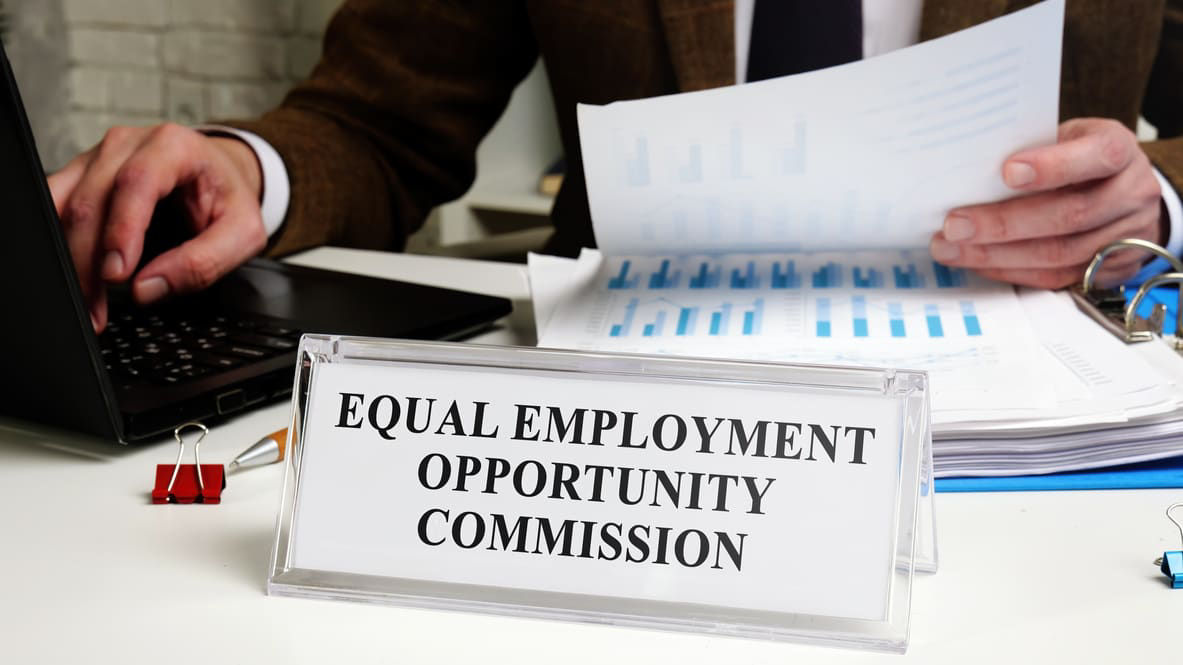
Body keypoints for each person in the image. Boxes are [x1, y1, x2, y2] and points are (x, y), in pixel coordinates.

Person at [46, 1, 1183, 332]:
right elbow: (377, 120)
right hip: (610, 426)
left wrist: (1160, 194)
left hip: (1022, 409)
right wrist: (250, 169)